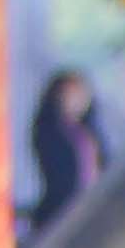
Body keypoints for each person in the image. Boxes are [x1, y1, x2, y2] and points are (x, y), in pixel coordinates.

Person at [26, 68, 109, 237]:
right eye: (69, 95)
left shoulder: (90, 132)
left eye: (80, 94)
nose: (76, 100)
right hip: (61, 211)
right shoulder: (48, 131)